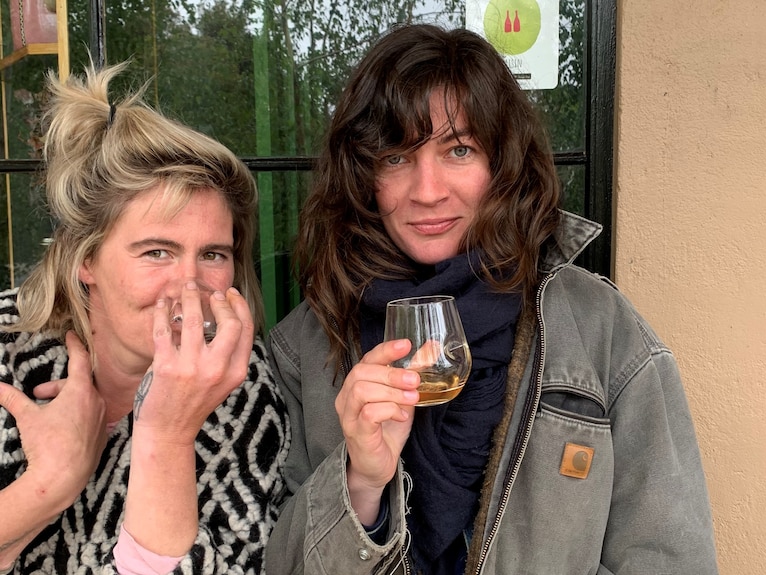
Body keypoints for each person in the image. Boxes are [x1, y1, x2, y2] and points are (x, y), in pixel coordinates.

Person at [264, 23, 719, 575]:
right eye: (396, 157)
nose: (427, 190)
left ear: (502, 164)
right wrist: (359, 482)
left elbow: (669, 556)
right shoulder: (305, 346)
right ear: (362, 176)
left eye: (458, 150)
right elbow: (271, 562)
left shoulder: (600, 331)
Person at [0, 62, 289, 574]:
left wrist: (167, 435)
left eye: (214, 255)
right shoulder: (9, 355)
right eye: (157, 252)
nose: (190, 285)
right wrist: (51, 483)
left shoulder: (245, 395)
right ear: (84, 260)